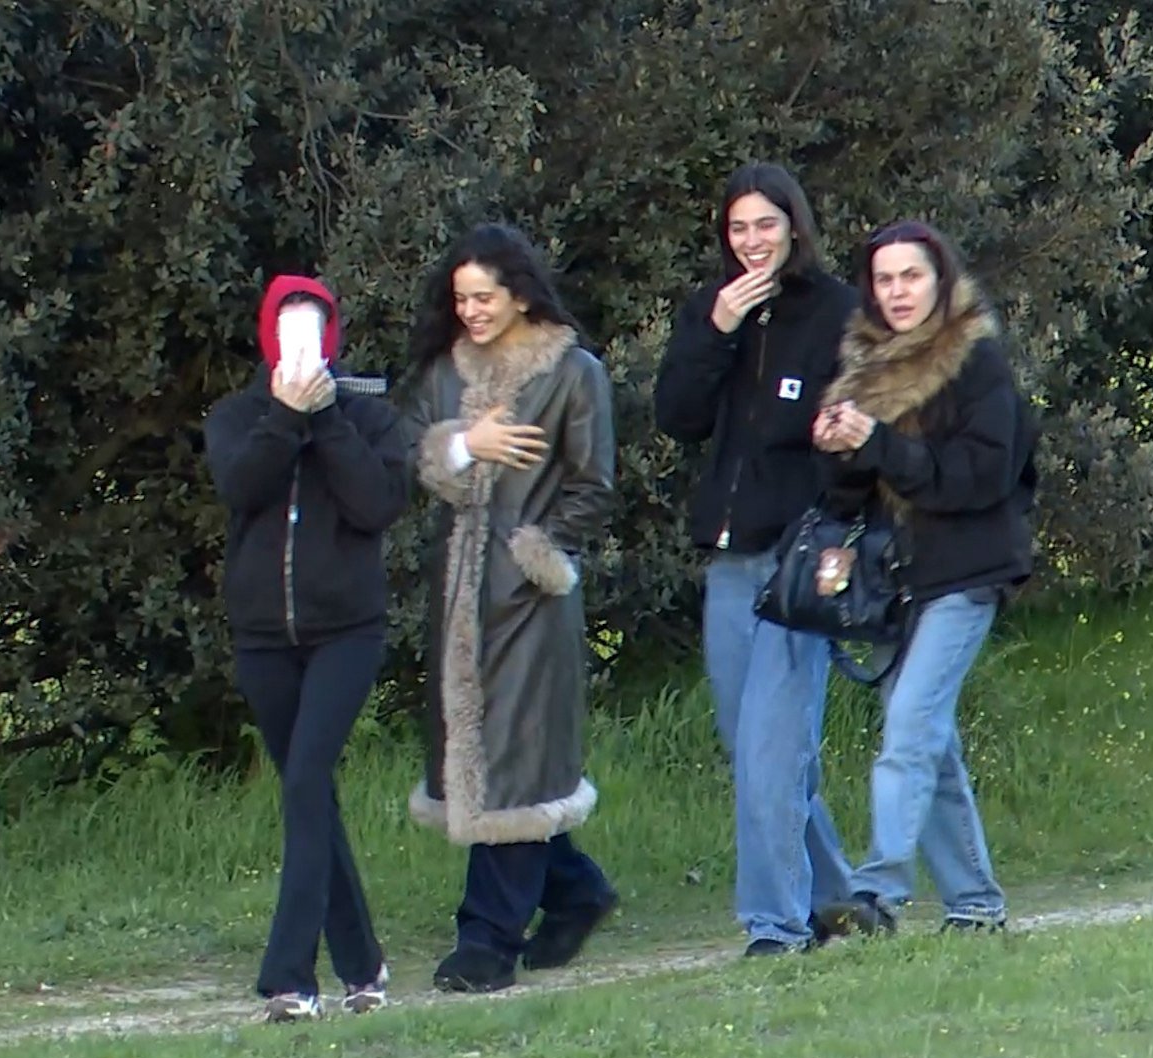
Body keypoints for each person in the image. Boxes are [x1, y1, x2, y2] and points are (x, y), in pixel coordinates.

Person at [402, 222, 619, 993]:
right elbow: (411, 451)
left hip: (530, 598)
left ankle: (486, 940)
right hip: (459, 594)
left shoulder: (574, 374)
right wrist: (467, 445)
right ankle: (576, 889)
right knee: (486, 766)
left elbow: (594, 486)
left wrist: (539, 554)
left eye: (483, 297)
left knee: (517, 763)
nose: (470, 311)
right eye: (460, 298)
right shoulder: (444, 371)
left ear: (520, 294)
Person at [652, 162, 858, 955]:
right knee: (754, 748)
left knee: (774, 749)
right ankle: (836, 901)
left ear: (794, 226)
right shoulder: (714, 309)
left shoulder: (837, 310)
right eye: (737, 228)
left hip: (801, 558)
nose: (751, 241)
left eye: (765, 225)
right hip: (731, 561)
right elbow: (678, 416)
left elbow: (857, 433)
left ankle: (774, 926)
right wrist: (717, 329)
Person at [810, 220, 1038, 937]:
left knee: (909, 725)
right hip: (896, 581)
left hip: (968, 571)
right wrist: (839, 449)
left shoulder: (976, 360)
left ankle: (876, 891)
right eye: (884, 279)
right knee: (930, 746)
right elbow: (849, 496)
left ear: (941, 280)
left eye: (911, 276)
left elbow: (977, 478)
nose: (898, 292)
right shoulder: (863, 367)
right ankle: (976, 906)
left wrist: (877, 443)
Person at [202, 274, 411, 1021]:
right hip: (264, 636)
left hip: (345, 631)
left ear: (331, 337)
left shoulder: (368, 416)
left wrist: (325, 420)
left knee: (305, 779)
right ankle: (364, 966)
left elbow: (377, 503)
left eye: (312, 328)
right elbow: (241, 488)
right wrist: (286, 417)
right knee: (308, 792)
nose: (300, 342)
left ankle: (289, 978)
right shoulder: (237, 417)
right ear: (268, 336)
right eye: (287, 327)